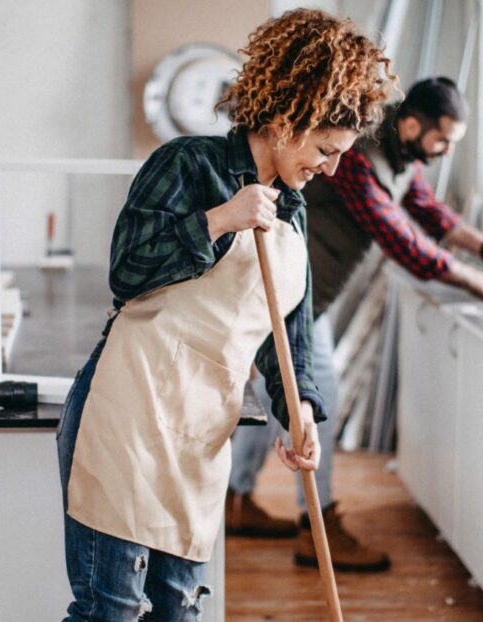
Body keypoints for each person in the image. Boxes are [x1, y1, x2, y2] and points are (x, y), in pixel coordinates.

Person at [56, 9, 396, 620]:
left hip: (199, 432)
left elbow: (287, 337)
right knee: (112, 609)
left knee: (179, 609)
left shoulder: (293, 212)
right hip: (129, 414)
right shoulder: (187, 164)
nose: (333, 167)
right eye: (326, 148)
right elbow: (127, 272)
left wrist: (301, 412)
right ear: (288, 118)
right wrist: (218, 219)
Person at [228, 77, 482, 572]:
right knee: (321, 399)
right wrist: (477, 283)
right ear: (412, 124)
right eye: (444, 138)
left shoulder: (402, 159)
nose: (447, 149)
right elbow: (400, 239)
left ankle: (236, 501)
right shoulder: (359, 156)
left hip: (306, 297)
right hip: (291, 294)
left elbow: (430, 214)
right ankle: (315, 528)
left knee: (278, 398)